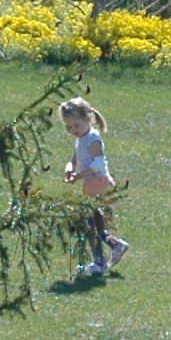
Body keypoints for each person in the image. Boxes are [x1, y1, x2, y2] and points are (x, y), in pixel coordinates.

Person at [60, 97, 128, 278]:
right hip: (90, 186)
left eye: (76, 125)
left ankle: (101, 260)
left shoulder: (92, 138)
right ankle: (113, 247)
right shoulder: (81, 139)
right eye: (69, 127)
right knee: (93, 224)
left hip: (100, 185)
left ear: (87, 119)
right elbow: (74, 161)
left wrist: (79, 176)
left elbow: (99, 162)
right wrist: (69, 170)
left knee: (92, 224)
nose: (73, 130)